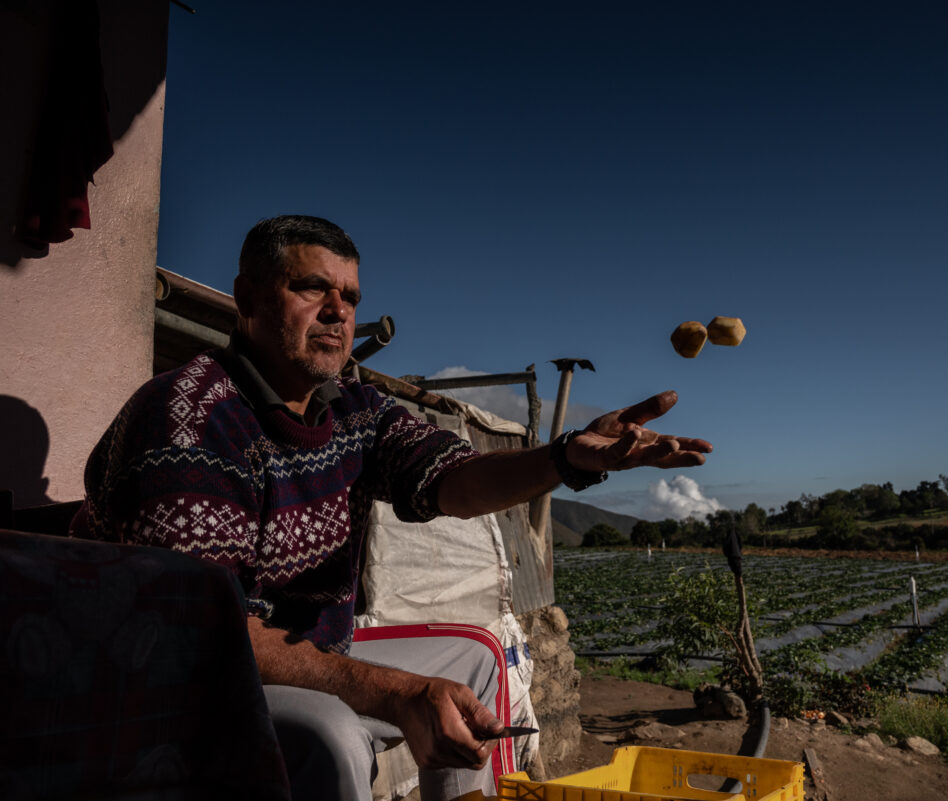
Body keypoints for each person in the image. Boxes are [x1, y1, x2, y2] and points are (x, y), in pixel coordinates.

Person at [70, 215, 712, 801]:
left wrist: (570, 457)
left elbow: (457, 480)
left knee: (475, 663)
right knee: (331, 731)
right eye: (312, 289)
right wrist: (400, 692)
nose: (336, 313)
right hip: (170, 685)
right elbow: (204, 629)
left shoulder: (351, 409)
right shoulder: (189, 420)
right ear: (246, 300)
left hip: (293, 658)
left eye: (349, 298)